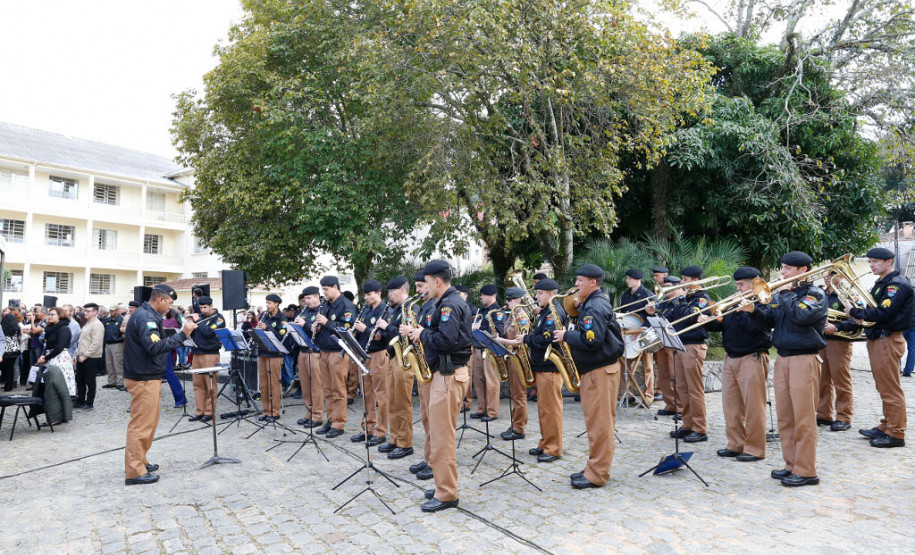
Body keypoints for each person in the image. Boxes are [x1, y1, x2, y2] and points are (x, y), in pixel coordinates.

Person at [746, 251, 826, 487]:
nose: (782, 272)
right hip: (783, 358)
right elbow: (769, 321)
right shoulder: (783, 294)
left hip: (804, 359)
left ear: (803, 270)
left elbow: (801, 316)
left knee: (804, 418)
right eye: (782, 267)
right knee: (786, 417)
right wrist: (753, 311)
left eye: (787, 268)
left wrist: (786, 293)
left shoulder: (815, 294)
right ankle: (791, 464)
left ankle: (807, 470)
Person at [400, 260, 472, 512]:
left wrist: (421, 334)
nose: (425, 288)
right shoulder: (447, 302)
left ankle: (447, 493)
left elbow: (446, 340)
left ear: (437, 281)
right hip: (444, 374)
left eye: (427, 283)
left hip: (448, 375)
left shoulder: (450, 305)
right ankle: (444, 484)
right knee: (440, 435)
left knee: (442, 438)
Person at [552, 264, 625, 489]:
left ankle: (597, 474)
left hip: (599, 371)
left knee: (600, 424)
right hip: (597, 370)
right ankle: (593, 467)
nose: (576, 284)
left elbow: (591, 340)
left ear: (593, 282)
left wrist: (566, 335)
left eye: (580, 280)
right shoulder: (593, 302)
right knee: (595, 423)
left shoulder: (595, 306)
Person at [123, 285, 197, 485]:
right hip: (143, 377)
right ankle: (134, 471)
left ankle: (141, 460)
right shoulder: (146, 317)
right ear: (161, 300)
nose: (171, 306)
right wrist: (183, 334)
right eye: (170, 302)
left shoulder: (147, 314)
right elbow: (154, 347)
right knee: (141, 425)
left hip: (148, 375)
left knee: (149, 423)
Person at [700, 267, 772, 462]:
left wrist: (752, 310)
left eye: (741, 284)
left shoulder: (764, 301)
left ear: (754, 283)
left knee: (753, 407)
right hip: (731, 358)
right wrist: (707, 321)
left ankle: (755, 449)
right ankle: (735, 444)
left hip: (752, 357)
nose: (737, 288)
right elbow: (721, 325)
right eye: (737, 284)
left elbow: (766, 324)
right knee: (731, 406)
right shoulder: (733, 302)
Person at [846, 247, 914, 448]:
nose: (871, 265)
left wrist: (855, 312)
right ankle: (887, 425)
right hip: (880, 339)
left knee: (890, 388)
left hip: (887, 340)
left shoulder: (896, 285)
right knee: (884, 387)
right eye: (870, 261)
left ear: (889, 262)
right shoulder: (882, 283)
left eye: (875, 261)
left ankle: (896, 433)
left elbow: (884, 313)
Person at [654, 266, 712, 443]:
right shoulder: (687, 298)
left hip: (693, 345)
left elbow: (689, 317)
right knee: (682, 388)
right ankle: (688, 424)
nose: (682, 283)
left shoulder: (702, 299)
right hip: (680, 344)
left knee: (694, 389)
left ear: (695, 281)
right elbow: (673, 318)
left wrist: (680, 299)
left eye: (685, 280)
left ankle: (699, 428)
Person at [522, 278, 567, 462]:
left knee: (551, 410)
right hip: (543, 366)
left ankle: (553, 448)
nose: (536, 296)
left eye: (540, 293)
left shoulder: (553, 312)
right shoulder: (546, 311)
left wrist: (525, 339)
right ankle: (545, 442)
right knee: (544, 409)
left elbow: (545, 339)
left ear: (551, 294)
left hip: (550, 367)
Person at [376, 276, 420, 460]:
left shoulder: (411, 309)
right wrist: (380, 333)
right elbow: (391, 333)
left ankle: (405, 443)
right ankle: (394, 438)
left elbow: (406, 335)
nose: (389, 295)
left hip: (405, 358)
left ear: (402, 290)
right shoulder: (394, 309)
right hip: (393, 356)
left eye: (391, 292)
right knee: (392, 400)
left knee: (402, 402)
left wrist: (387, 327)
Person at [312, 276, 357, 437]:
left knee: (338, 389)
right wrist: (317, 327)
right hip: (324, 350)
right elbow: (324, 325)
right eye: (323, 289)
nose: (324, 292)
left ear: (335, 287)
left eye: (326, 289)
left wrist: (326, 323)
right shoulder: (326, 305)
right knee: (328, 389)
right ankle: (330, 420)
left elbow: (346, 328)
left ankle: (339, 423)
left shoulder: (346, 305)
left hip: (338, 351)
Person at [351, 280, 390, 446]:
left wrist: (365, 329)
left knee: (381, 394)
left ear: (378, 293)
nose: (366, 297)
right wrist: (354, 334)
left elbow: (381, 336)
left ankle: (381, 431)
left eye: (369, 294)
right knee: (366, 393)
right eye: (365, 294)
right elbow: (363, 334)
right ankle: (368, 428)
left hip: (379, 354)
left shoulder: (385, 310)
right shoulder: (366, 310)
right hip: (364, 355)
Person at [817, 272, 856, 432]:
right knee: (822, 380)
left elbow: (857, 320)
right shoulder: (820, 294)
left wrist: (837, 327)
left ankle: (843, 417)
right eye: (826, 275)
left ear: (842, 277)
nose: (828, 277)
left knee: (841, 380)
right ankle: (823, 414)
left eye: (833, 274)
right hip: (821, 341)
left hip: (839, 342)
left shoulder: (848, 295)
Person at [496, 287, 529, 442]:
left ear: (518, 300)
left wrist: (501, 341)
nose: (507, 302)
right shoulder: (512, 316)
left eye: (510, 299)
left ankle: (519, 428)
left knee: (519, 394)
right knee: (514, 393)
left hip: (519, 357)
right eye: (507, 299)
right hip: (511, 356)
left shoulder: (522, 317)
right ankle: (515, 423)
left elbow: (520, 341)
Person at [618, 268, 655, 405]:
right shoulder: (626, 295)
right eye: (627, 278)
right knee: (624, 366)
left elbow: (655, 315)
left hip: (643, 334)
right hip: (628, 334)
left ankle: (648, 396)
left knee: (647, 366)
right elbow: (623, 314)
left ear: (637, 280)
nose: (627, 281)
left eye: (630, 279)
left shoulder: (648, 295)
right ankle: (628, 394)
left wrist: (643, 328)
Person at [188, 296, 226, 423]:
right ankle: (200, 411)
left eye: (205, 307)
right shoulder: (201, 318)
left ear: (211, 306)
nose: (202, 310)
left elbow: (209, 333)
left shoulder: (219, 319)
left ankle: (209, 412)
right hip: (197, 353)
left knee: (209, 384)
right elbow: (194, 335)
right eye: (201, 307)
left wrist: (198, 321)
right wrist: (190, 326)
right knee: (198, 385)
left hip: (210, 354)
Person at [470, 284, 504, 421]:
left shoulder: (497, 312)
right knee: (478, 381)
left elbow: (499, 331)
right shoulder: (482, 311)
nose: (481, 297)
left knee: (491, 381)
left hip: (490, 350)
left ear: (492, 295)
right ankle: (482, 408)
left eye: (484, 295)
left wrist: (480, 328)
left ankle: (492, 411)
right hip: (478, 349)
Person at [294, 287, 325, 428]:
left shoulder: (321, 311)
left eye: (309, 298)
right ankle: (309, 412)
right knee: (305, 385)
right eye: (305, 299)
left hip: (315, 352)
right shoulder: (305, 312)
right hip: (303, 350)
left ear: (317, 297)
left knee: (316, 385)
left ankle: (317, 415)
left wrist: (304, 324)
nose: (306, 301)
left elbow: (317, 330)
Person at [255, 294, 288, 422]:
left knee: (273, 384)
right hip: (263, 353)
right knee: (263, 384)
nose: (267, 305)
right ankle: (266, 410)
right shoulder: (265, 316)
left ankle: (274, 412)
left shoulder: (282, 319)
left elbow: (281, 337)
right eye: (266, 303)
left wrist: (267, 328)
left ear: (276, 303)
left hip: (275, 354)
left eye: (269, 303)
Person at [652, 275, 681, 416]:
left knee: (675, 375)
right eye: (665, 286)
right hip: (662, 341)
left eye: (669, 287)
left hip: (674, 343)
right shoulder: (663, 303)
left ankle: (680, 407)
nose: (665, 289)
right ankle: (670, 404)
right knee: (663, 375)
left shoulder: (679, 302)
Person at [36, 307, 77, 397]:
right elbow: (47, 345)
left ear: (60, 316)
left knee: (60, 383)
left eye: (52, 314)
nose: (49, 316)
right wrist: (43, 355)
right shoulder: (51, 328)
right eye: (49, 314)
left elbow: (60, 347)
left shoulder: (64, 328)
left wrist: (46, 358)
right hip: (50, 357)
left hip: (59, 358)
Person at [75, 303, 104, 410]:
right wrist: (77, 354)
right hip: (82, 356)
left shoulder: (97, 325)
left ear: (95, 312)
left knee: (89, 381)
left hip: (91, 357)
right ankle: (80, 400)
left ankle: (89, 403)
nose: (85, 313)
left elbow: (96, 343)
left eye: (88, 311)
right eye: (85, 311)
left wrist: (85, 355)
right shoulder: (87, 324)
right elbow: (81, 341)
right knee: (80, 380)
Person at [102, 305, 126, 390]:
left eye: (113, 310)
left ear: (117, 310)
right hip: (108, 344)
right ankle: (111, 381)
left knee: (118, 363)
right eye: (110, 310)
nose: (111, 312)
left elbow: (124, 331)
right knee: (109, 364)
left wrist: (120, 338)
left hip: (117, 344)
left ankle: (120, 382)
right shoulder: (108, 320)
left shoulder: (121, 319)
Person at [1, 305, 23, 391]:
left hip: (5, 349)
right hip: (14, 349)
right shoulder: (16, 328)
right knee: (11, 368)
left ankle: (4, 382)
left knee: (4, 368)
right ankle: (9, 386)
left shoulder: (3, 328)